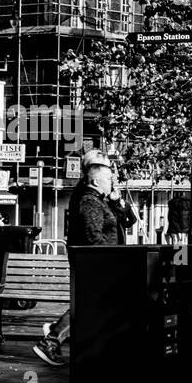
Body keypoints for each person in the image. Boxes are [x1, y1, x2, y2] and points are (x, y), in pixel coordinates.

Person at [34, 153, 118, 366]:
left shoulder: (97, 200)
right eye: (108, 178)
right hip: (96, 264)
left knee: (92, 307)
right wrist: (110, 258)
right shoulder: (90, 201)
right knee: (87, 307)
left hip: (97, 263)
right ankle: (53, 339)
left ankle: (58, 334)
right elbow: (93, 235)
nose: (112, 182)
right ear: (97, 180)